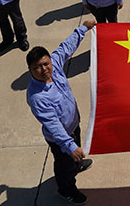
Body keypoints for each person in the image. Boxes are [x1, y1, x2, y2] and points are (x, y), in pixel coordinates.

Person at [26, 20, 95, 204]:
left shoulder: (54, 65)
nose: (44, 70)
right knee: (64, 167)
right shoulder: (37, 97)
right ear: (30, 70)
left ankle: (77, 164)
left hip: (73, 125)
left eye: (45, 64)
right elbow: (54, 126)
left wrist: (84, 28)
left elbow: (66, 47)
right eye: (37, 67)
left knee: (74, 157)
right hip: (61, 139)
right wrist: (70, 146)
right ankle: (66, 190)